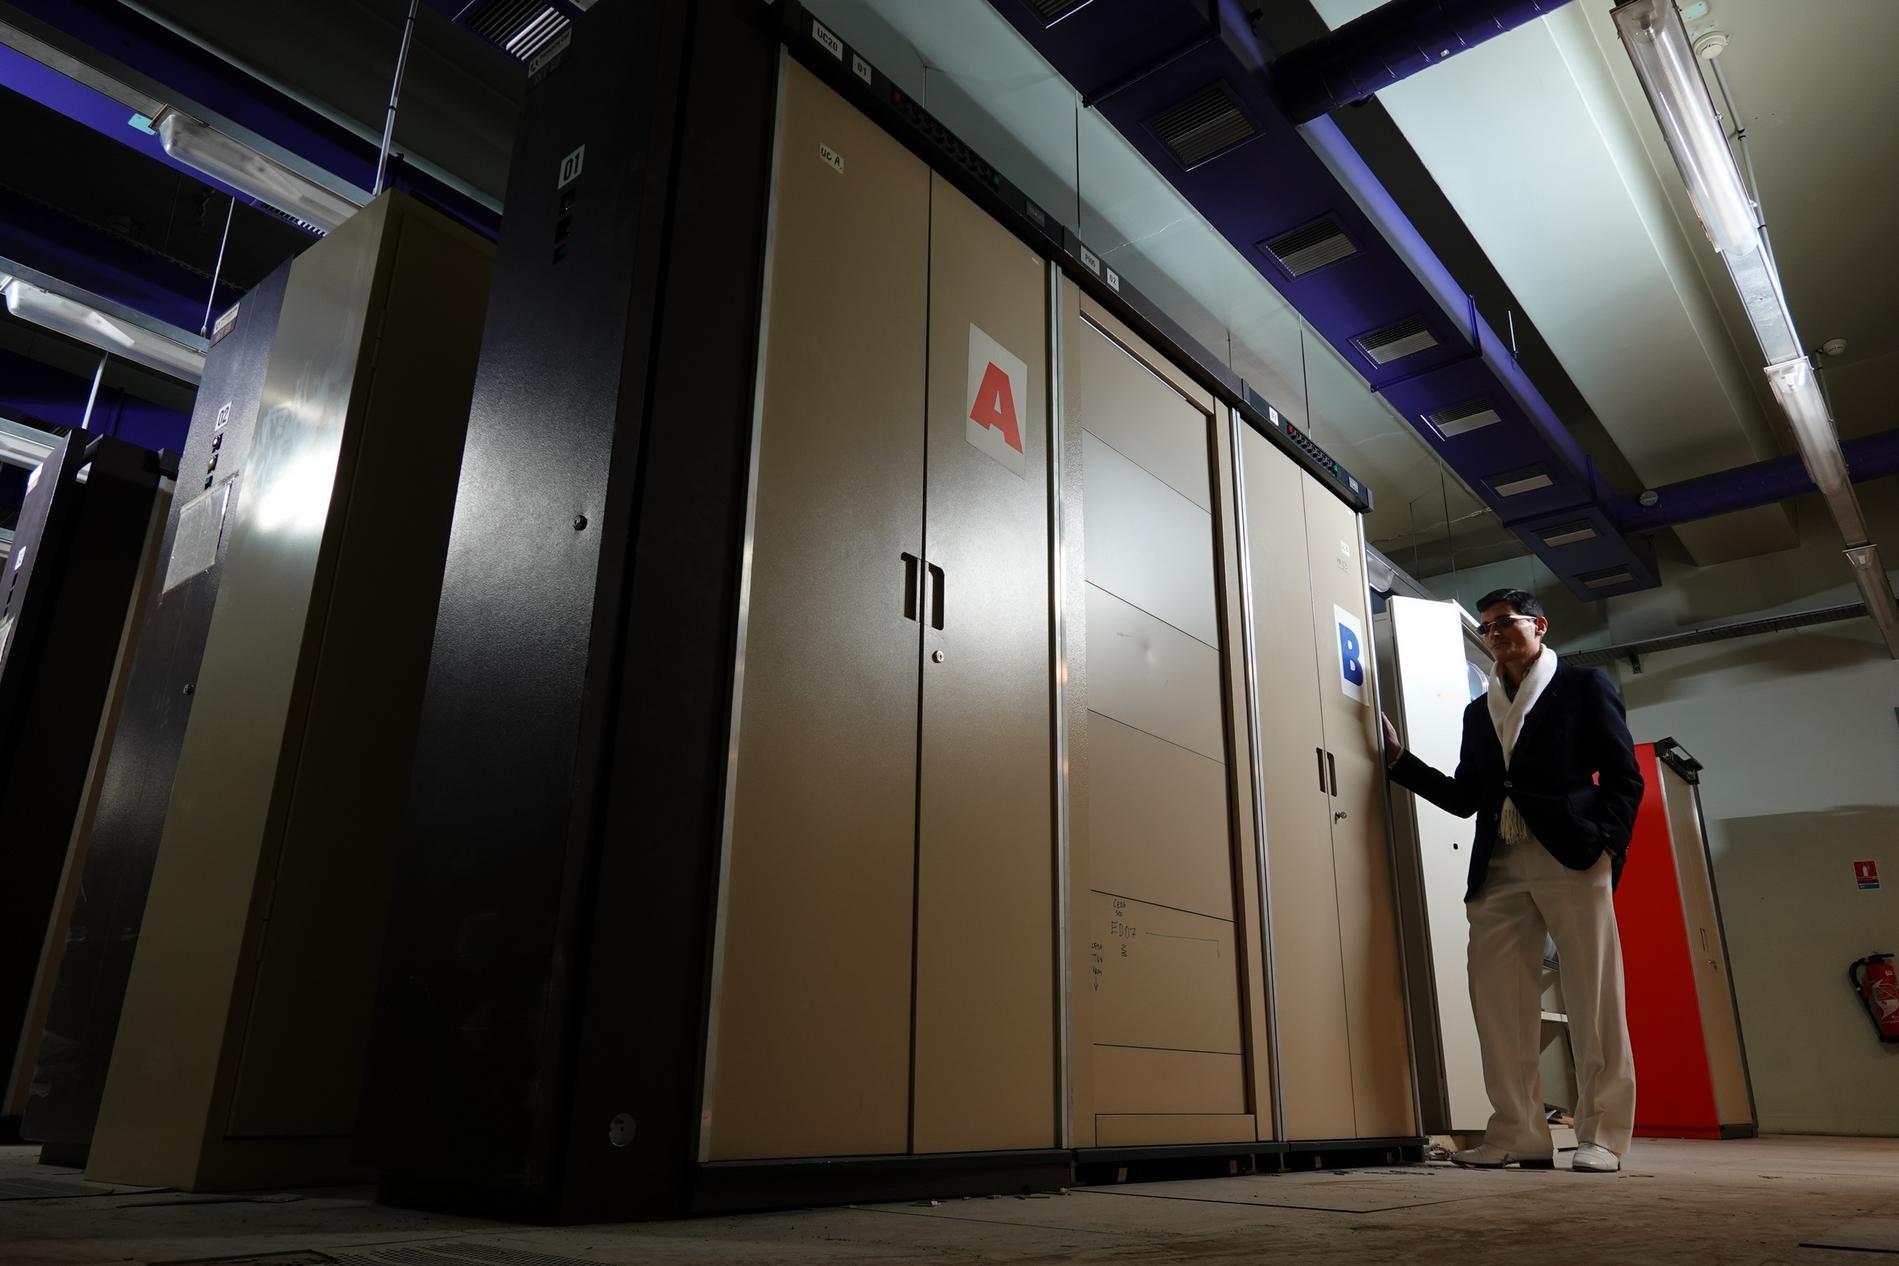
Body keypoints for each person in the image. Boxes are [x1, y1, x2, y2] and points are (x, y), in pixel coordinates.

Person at [1380, 588, 1642, 1174]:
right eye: (1486, 627)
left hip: (1572, 855)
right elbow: (1465, 796)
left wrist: (1608, 845)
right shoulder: (1479, 711)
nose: (1493, 633)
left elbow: (1623, 775)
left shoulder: (1583, 686)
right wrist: (1399, 760)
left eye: (1504, 622)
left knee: (1594, 997)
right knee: (1497, 1002)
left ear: (1539, 626)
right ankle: (1519, 1134)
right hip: (1498, 861)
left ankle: (1603, 1135)